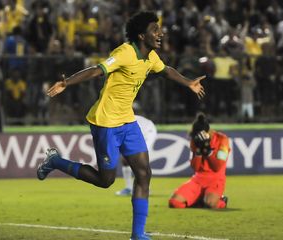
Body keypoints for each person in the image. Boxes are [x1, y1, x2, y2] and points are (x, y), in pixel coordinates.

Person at [37, 11, 205, 240]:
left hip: (127, 121)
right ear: (140, 35)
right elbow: (98, 70)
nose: (160, 33)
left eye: (159, 29)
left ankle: (138, 234)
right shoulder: (125, 52)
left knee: (144, 173)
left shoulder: (151, 57)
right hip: (105, 122)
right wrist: (68, 82)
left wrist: (188, 83)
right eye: (154, 30)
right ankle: (55, 161)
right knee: (106, 181)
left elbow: (165, 71)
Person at [168, 112, 229, 209]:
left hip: (216, 180)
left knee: (211, 204)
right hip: (198, 179)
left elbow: (217, 167)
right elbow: (195, 168)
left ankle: (221, 200)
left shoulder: (223, 140)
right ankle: (200, 199)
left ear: (208, 132)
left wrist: (208, 151)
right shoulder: (195, 140)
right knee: (174, 202)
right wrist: (198, 152)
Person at [116, 115, 157, 196]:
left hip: (148, 132)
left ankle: (145, 188)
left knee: (140, 159)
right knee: (124, 160)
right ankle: (128, 188)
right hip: (138, 133)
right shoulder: (116, 124)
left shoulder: (124, 122)